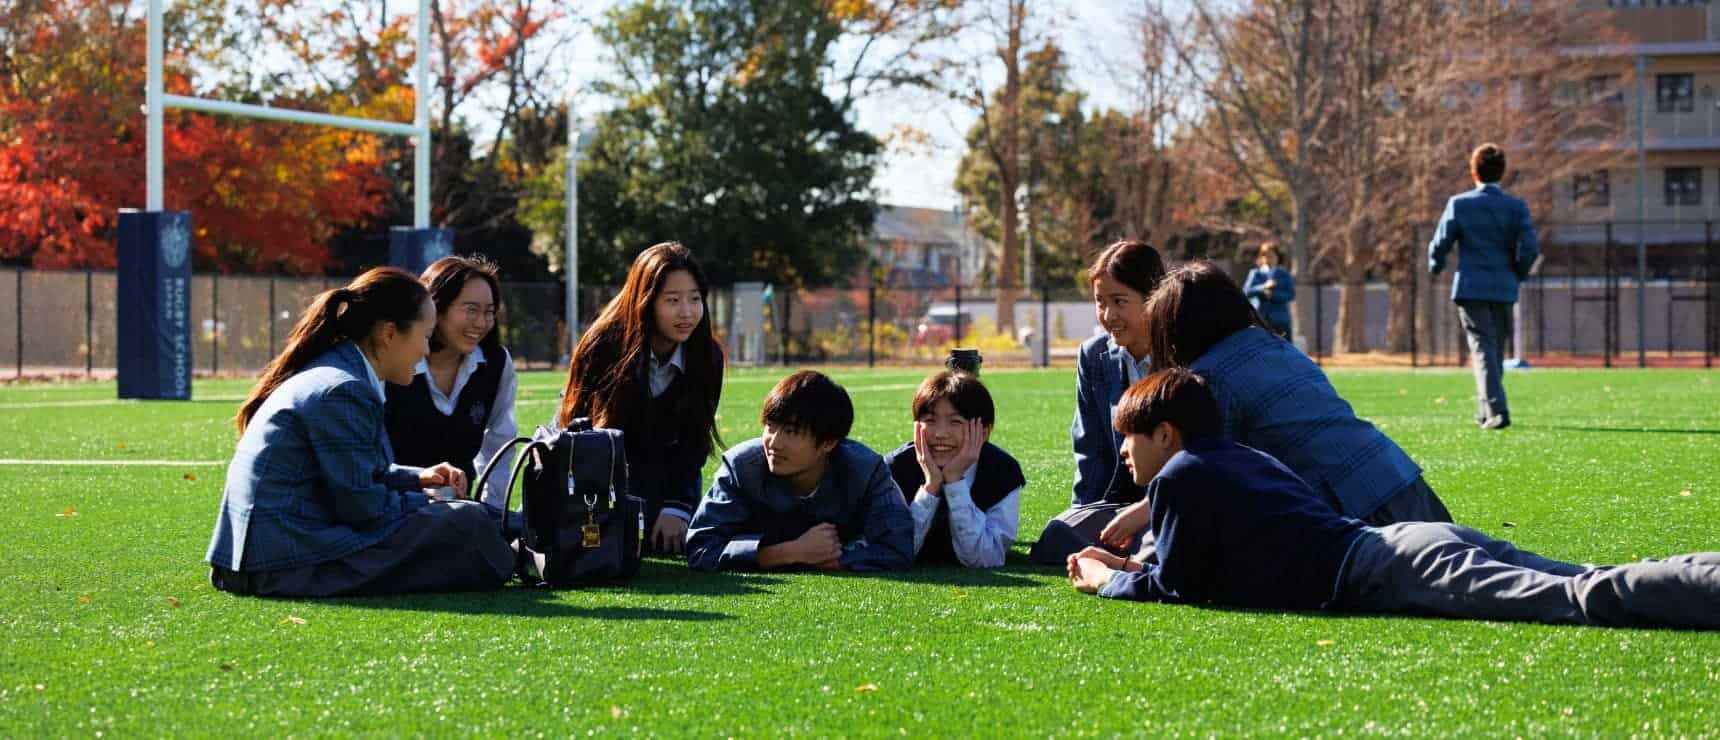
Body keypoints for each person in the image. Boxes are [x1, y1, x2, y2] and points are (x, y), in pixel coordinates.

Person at [1067, 368, 1720, 629]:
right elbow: (1197, 567)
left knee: (1583, 599)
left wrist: (1104, 578)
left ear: (1166, 433)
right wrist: (1134, 558)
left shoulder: (1182, 476)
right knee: (1586, 581)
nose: (1122, 453)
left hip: (1391, 566)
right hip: (1410, 544)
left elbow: (1174, 588)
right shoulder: (1232, 460)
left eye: (1128, 438)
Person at [205, 267, 514, 597]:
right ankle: (528, 548)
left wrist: (419, 478)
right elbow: (365, 509)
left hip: (276, 555)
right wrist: (429, 501)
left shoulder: (342, 373)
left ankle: (523, 538)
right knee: (464, 521)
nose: (426, 350)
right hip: (283, 566)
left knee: (466, 519)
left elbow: (359, 476)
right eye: (425, 337)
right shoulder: (343, 389)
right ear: (388, 334)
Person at [1098, 261, 1449, 549]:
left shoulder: (1209, 379)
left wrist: (1144, 516)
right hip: (1404, 483)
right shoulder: (1272, 344)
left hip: (1359, 517)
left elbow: (1201, 476)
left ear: (1177, 329)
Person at [557, 242, 724, 556]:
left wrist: (678, 508)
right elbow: (576, 438)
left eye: (695, 299)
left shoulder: (707, 356)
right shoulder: (602, 345)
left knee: (674, 540)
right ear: (645, 301)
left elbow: (693, 443)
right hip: (603, 481)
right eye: (672, 300)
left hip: (667, 479)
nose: (687, 312)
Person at [685, 370, 914, 573]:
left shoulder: (864, 470)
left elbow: (897, 548)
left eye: (791, 431)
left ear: (829, 442)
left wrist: (838, 558)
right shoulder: (743, 467)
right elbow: (701, 548)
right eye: (770, 426)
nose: (774, 443)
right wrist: (791, 552)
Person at [1027, 239, 1167, 565]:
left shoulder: (1186, 352)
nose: (1108, 315)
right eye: (1100, 302)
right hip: (1120, 502)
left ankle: (1144, 551)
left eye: (1120, 301)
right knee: (1058, 537)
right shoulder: (1095, 356)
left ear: (1154, 297)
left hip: (1181, 498)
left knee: (1167, 540)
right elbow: (1090, 448)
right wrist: (1083, 513)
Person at [384, 255, 518, 506]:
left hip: (459, 512)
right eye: (471, 310)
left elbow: (500, 445)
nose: (481, 323)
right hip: (393, 512)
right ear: (435, 308)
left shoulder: (496, 363)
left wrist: (492, 509)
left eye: (489, 312)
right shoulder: (392, 361)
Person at [1428, 142, 1540, 430]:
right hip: (1504, 286)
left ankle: (1497, 411)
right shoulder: (1516, 207)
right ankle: (1486, 409)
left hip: (1471, 286)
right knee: (1494, 350)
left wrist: (1435, 264)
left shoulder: (1460, 204)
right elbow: (1529, 248)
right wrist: (1517, 273)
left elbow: (1441, 242)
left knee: (1482, 349)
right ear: (1502, 172)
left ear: (1473, 171)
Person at [884, 370, 1024, 568]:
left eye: (955, 422)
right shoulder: (894, 468)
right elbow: (891, 553)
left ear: (984, 431)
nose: (940, 434)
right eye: (930, 420)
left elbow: (985, 558)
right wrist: (931, 487)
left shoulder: (1002, 471)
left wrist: (955, 483)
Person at [1242, 242, 1295, 340]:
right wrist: (1262, 288)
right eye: (1265, 255)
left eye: (1271, 255)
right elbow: (1246, 291)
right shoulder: (1255, 273)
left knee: (1283, 350)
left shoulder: (1284, 274)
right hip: (1261, 320)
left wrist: (1273, 295)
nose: (1268, 258)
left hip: (1280, 321)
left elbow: (1291, 295)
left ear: (1277, 257)